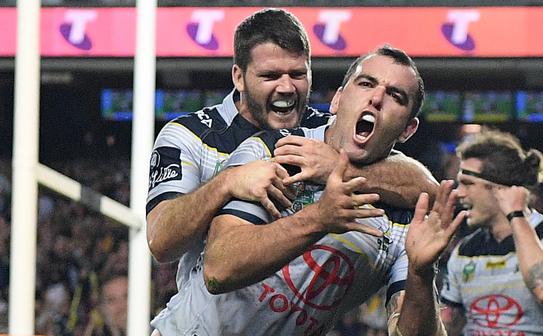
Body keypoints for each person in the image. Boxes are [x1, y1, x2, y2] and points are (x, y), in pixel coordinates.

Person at [139, 45, 462, 336]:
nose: (376, 99)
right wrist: (320, 218)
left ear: (408, 129)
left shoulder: (408, 212)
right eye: (366, 84)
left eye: (395, 96)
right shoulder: (279, 148)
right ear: (337, 99)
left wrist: (421, 274)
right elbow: (220, 269)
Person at [146, 8, 437, 288]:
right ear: (239, 77)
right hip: (207, 323)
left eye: (297, 74)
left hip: (294, 325)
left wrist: (338, 166)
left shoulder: (327, 131)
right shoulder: (191, 135)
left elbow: (426, 190)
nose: (286, 88)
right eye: (271, 76)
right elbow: (161, 243)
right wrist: (226, 182)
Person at [440, 128, 543, 336]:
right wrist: (420, 271)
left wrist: (515, 213)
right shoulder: (465, 250)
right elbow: (444, 329)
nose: (459, 193)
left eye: (467, 183)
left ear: (499, 188)